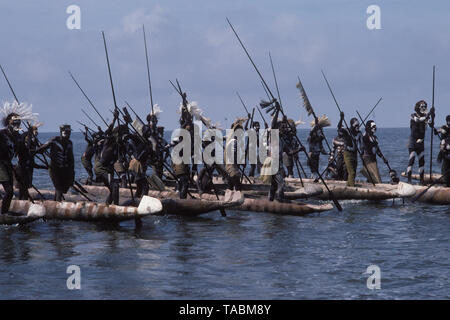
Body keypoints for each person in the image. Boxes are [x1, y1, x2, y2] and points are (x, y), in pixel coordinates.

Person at [35, 124, 74, 201]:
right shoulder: (54, 140)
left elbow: (71, 158)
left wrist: (72, 171)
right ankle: (58, 203)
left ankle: (55, 202)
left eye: (69, 132)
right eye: (66, 132)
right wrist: (38, 148)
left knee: (63, 188)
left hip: (65, 169)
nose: (68, 134)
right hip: (54, 169)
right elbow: (40, 150)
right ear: (61, 132)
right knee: (58, 187)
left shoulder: (69, 143)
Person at [406, 100, 434, 185]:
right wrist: (429, 114)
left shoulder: (426, 117)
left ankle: (421, 180)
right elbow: (418, 120)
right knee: (412, 159)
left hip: (421, 142)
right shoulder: (413, 115)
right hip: (413, 141)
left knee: (422, 161)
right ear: (418, 107)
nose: (424, 108)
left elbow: (430, 124)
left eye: (425, 106)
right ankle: (409, 180)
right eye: (422, 106)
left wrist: (433, 115)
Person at [15, 125, 45, 200]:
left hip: (30, 163)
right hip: (23, 164)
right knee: (23, 184)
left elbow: (39, 150)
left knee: (27, 183)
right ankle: (22, 198)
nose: (37, 132)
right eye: (35, 130)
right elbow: (27, 149)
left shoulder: (34, 139)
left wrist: (42, 147)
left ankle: (23, 197)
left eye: (37, 130)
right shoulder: (27, 138)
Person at [0, 113, 21, 214]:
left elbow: (24, 151)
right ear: (9, 122)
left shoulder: (18, 137)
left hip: (8, 165)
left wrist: (30, 135)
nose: (17, 123)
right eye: (14, 121)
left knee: (10, 192)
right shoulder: (2, 133)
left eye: (18, 122)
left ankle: (4, 214)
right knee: (9, 191)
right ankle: (3, 214)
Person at [339, 112, 363, 187]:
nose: (357, 126)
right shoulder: (347, 131)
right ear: (352, 125)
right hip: (347, 154)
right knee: (351, 172)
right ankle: (352, 188)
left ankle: (348, 186)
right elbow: (339, 128)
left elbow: (361, 144)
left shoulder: (359, 133)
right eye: (355, 125)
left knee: (353, 172)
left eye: (358, 125)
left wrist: (362, 152)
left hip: (355, 154)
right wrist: (341, 119)